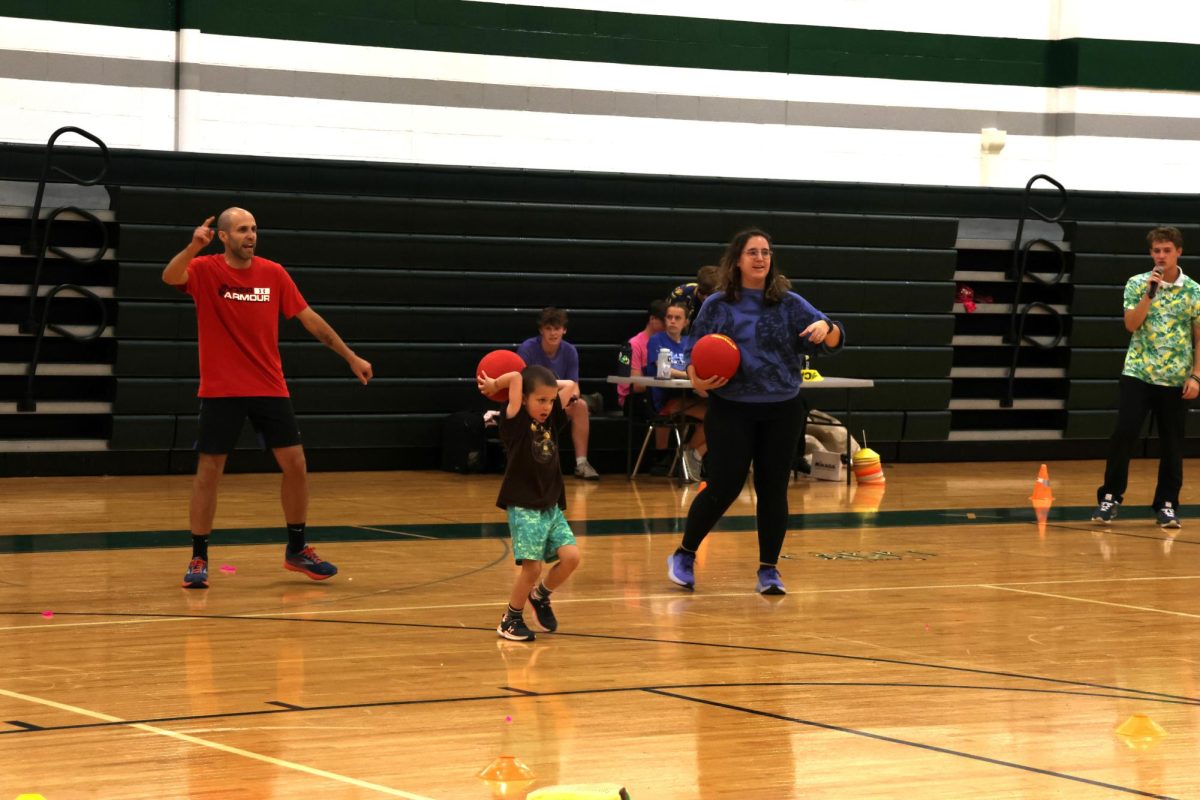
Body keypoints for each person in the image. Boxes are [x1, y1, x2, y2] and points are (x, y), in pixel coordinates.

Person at [162, 209, 373, 589]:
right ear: (223, 236)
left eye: (254, 229)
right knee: (210, 469)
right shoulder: (206, 269)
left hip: (269, 386)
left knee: (296, 464)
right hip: (221, 388)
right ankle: (198, 556)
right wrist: (193, 247)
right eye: (243, 230)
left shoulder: (274, 273)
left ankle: (297, 548)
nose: (251, 235)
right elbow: (170, 276)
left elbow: (311, 320)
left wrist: (350, 356)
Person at [666, 228, 844, 595]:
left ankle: (769, 569)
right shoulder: (717, 304)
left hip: (782, 409)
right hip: (731, 409)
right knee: (723, 486)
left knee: (773, 489)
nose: (761, 258)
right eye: (752, 252)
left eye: (765, 252)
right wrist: (697, 378)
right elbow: (693, 355)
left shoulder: (791, 303)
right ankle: (684, 554)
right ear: (737, 259)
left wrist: (827, 327)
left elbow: (834, 336)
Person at [1091, 226, 1200, 529]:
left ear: (1179, 251)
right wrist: (1149, 295)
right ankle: (1110, 498)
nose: (1161, 256)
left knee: (1172, 444)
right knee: (1123, 435)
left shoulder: (1194, 291)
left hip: (1175, 378)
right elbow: (1131, 324)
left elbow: (1199, 337)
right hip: (1138, 372)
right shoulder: (1138, 284)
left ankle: (1166, 505)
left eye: (1166, 250)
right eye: (1156, 251)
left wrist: (1197, 376)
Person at [477, 364, 583, 641]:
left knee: (571, 558)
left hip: (550, 505)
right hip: (524, 506)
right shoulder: (514, 421)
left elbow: (570, 384)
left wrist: (546, 386)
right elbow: (514, 377)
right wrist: (496, 385)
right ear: (523, 398)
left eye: (550, 400)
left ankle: (540, 596)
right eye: (540, 400)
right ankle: (510, 619)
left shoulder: (550, 421)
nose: (547, 406)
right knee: (532, 568)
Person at [517, 307, 599, 480]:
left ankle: (582, 463)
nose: (553, 333)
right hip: (534, 402)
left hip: (558, 401)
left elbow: (575, 385)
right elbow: (524, 385)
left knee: (581, 406)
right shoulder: (528, 349)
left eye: (557, 328)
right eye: (548, 328)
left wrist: (573, 397)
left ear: (564, 330)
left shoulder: (570, 351)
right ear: (541, 330)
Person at [645, 299, 708, 481]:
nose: (672, 321)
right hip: (665, 400)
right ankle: (690, 454)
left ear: (686, 322)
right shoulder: (657, 340)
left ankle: (694, 452)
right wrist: (689, 375)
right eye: (669, 317)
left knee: (723, 416)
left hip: (689, 396)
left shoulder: (689, 342)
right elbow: (662, 368)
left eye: (677, 318)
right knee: (716, 417)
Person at [616, 298, 667, 412]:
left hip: (658, 393)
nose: (668, 325)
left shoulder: (667, 343)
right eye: (665, 321)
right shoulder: (634, 344)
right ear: (652, 319)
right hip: (634, 398)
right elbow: (636, 385)